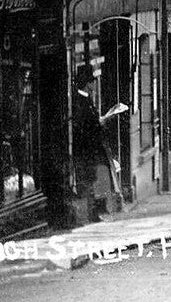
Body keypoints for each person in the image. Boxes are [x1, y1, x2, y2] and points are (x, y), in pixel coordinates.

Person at [71, 65, 111, 223]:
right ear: (88, 83)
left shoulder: (85, 99)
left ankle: (95, 212)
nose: (95, 85)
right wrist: (100, 122)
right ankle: (92, 214)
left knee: (93, 179)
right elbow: (84, 127)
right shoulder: (81, 101)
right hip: (87, 149)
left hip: (91, 149)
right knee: (89, 180)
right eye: (93, 81)